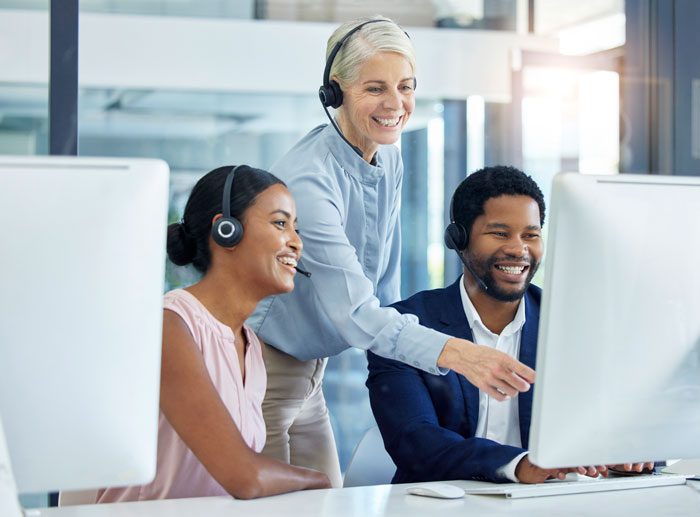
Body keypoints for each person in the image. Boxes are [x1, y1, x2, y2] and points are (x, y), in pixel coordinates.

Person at [248, 16, 534, 488]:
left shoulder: (389, 154)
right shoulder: (309, 181)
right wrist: (456, 352)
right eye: (376, 88)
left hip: (310, 373)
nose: (396, 104)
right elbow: (357, 312)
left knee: (327, 499)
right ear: (335, 92)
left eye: (405, 86)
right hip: (265, 370)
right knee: (274, 508)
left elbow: (385, 283)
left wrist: (404, 364)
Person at [366, 166, 654, 483]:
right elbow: (415, 443)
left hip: (549, 504)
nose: (518, 249)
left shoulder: (572, 323)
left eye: (531, 235)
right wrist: (517, 465)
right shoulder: (406, 329)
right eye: (500, 233)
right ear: (458, 238)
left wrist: (629, 451)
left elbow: (627, 416)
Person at [97, 165, 330, 502]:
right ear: (226, 230)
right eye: (281, 224)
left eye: (296, 228)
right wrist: (318, 480)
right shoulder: (172, 326)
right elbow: (244, 477)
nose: (297, 242)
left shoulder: (251, 347)